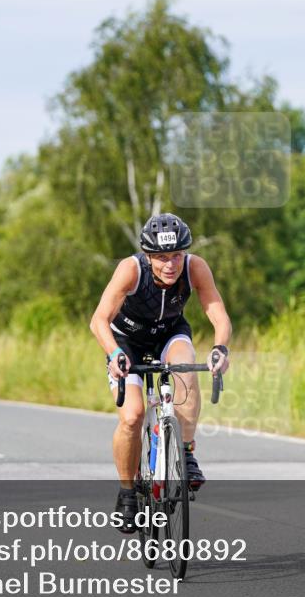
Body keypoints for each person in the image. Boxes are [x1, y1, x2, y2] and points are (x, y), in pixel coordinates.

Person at [89, 213, 231, 534]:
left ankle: (186, 451)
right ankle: (127, 493)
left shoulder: (196, 267)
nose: (171, 264)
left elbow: (219, 316)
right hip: (126, 340)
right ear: (149, 255)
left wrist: (221, 349)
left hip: (169, 332)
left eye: (177, 255)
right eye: (162, 257)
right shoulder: (131, 269)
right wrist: (114, 354)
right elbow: (98, 320)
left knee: (187, 366)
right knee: (132, 416)